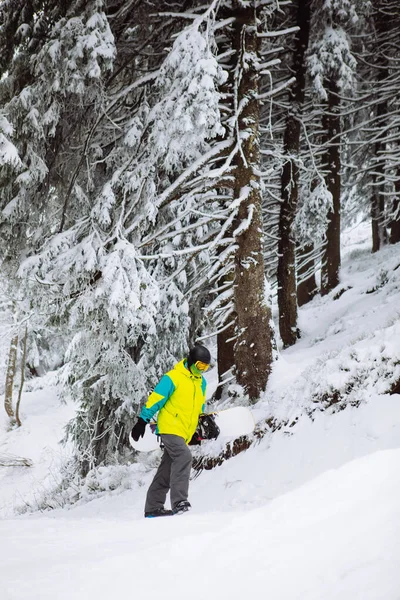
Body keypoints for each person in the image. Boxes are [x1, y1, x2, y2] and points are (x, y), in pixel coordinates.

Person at [130, 344, 211, 518]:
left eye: (205, 367)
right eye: (199, 366)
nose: (202, 370)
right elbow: (156, 399)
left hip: (184, 431)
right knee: (184, 456)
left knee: (167, 467)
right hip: (169, 427)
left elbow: (198, 407)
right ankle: (179, 502)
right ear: (190, 362)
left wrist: (199, 427)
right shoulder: (173, 378)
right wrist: (142, 420)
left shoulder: (201, 382)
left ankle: (153, 507)